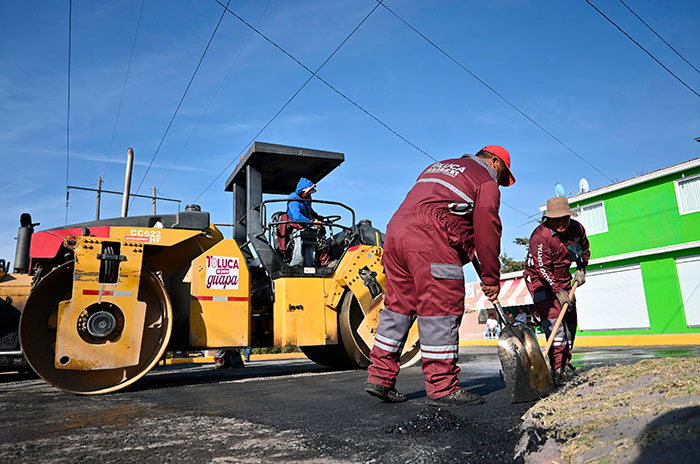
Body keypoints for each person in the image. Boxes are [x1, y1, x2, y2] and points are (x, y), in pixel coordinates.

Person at [365, 145, 515, 407]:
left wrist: (466, 249)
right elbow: (487, 228)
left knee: (397, 309)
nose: (499, 183)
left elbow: (455, 219)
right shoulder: (485, 181)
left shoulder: (440, 166)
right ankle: (442, 387)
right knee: (440, 308)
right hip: (430, 237)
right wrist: (491, 277)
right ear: (494, 161)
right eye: (501, 175)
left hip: (396, 232)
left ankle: (380, 377)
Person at [523, 197, 590, 386]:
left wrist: (581, 269)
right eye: (556, 219)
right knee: (555, 322)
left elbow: (584, 249)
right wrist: (558, 291)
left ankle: (566, 364)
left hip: (563, 279)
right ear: (548, 218)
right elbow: (542, 269)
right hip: (540, 281)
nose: (561, 222)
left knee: (569, 321)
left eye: (564, 218)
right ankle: (556, 368)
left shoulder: (577, 229)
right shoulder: (540, 237)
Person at [286, 178, 322, 266]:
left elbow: (309, 209)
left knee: (311, 243)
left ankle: (310, 265)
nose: (309, 194)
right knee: (299, 245)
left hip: (306, 225)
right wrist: (312, 222)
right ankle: (296, 265)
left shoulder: (307, 197)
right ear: (302, 191)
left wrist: (317, 216)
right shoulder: (294, 199)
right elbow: (297, 216)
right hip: (296, 226)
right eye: (308, 192)